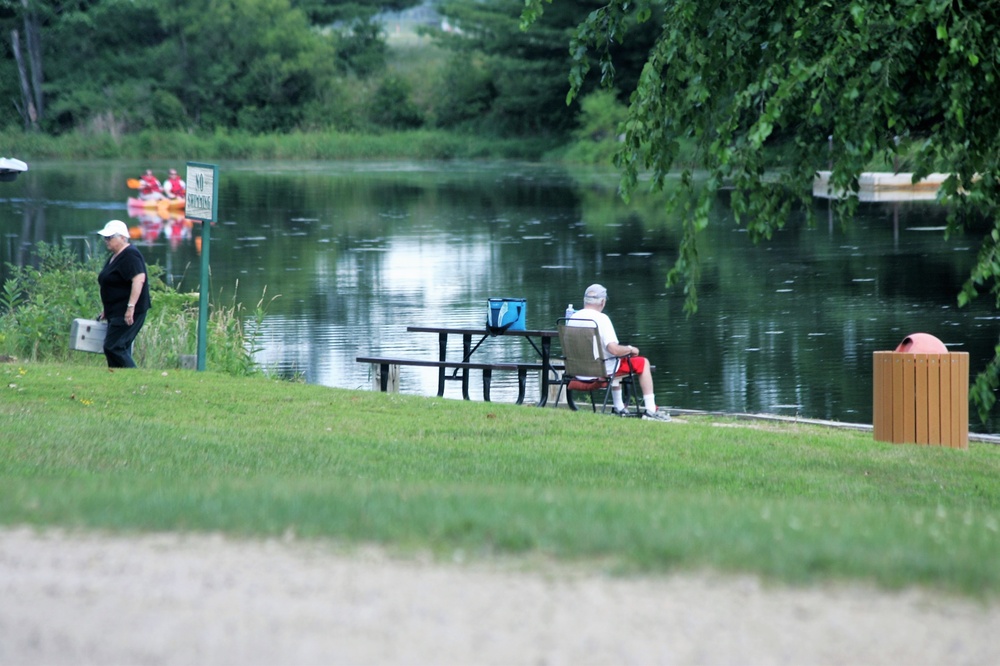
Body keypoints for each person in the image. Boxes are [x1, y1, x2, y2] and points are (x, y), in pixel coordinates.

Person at [569, 283, 671, 421]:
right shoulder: (602, 319)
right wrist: (630, 349)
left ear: (585, 300)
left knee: (614, 361)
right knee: (642, 362)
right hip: (600, 372)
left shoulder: (572, 318)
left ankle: (619, 407)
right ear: (602, 301)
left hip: (578, 373)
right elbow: (614, 350)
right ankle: (651, 410)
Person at [96, 220, 151, 368]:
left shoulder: (130, 255)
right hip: (116, 310)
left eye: (109, 237)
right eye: (105, 238)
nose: (106, 241)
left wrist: (131, 307)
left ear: (122, 237)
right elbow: (114, 284)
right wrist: (107, 309)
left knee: (114, 347)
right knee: (116, 347)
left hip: (129, 311)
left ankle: (134, 377)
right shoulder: (116, 255)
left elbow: (139, 280)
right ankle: (117, 378)